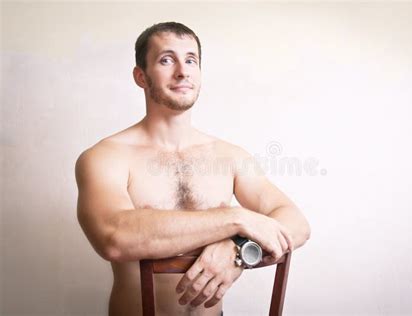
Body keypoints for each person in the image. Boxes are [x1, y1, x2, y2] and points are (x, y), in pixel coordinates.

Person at [75, 21, 311, 316]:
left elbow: (296, 223)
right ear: (141, 76)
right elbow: (114, 237)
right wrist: (235, 220)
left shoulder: (229, 156)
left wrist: (237, 249)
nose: (183, 71)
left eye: (191, 60)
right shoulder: (106, 156)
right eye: (166, 59)